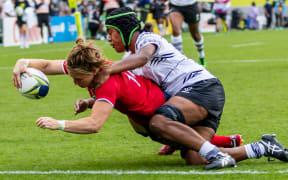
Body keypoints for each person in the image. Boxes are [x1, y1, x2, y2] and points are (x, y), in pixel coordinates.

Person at [98, 7, 288, 168]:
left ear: (123, 30)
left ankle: (217, 154)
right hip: (197, 97)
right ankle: (263, 147)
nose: (108, 38)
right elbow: (128, 90)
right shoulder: (127, 60)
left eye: (110, 32)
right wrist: (93, 101)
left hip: (201, 88)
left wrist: (109, 70)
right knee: (195, 158)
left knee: (159, 122)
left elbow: (143, 57)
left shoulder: (146, 39)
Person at [13, 38, 244, 168]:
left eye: (79, 79)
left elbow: (94, 125)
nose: (74, 82)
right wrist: (22, 62)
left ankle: (245, 148)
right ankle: (237, 143)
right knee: (185, 151)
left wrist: (58, 124)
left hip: (166, 115)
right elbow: (46, 67)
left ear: (94, 72)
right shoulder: (91, 64)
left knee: (192, 156)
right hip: (157, 109)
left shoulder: (107, 83)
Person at [168, 0, 206, 67]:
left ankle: (201, 56)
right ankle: (179, 60)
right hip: (175, 6)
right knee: (176, 30)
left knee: (195, 35)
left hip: (191, 6)